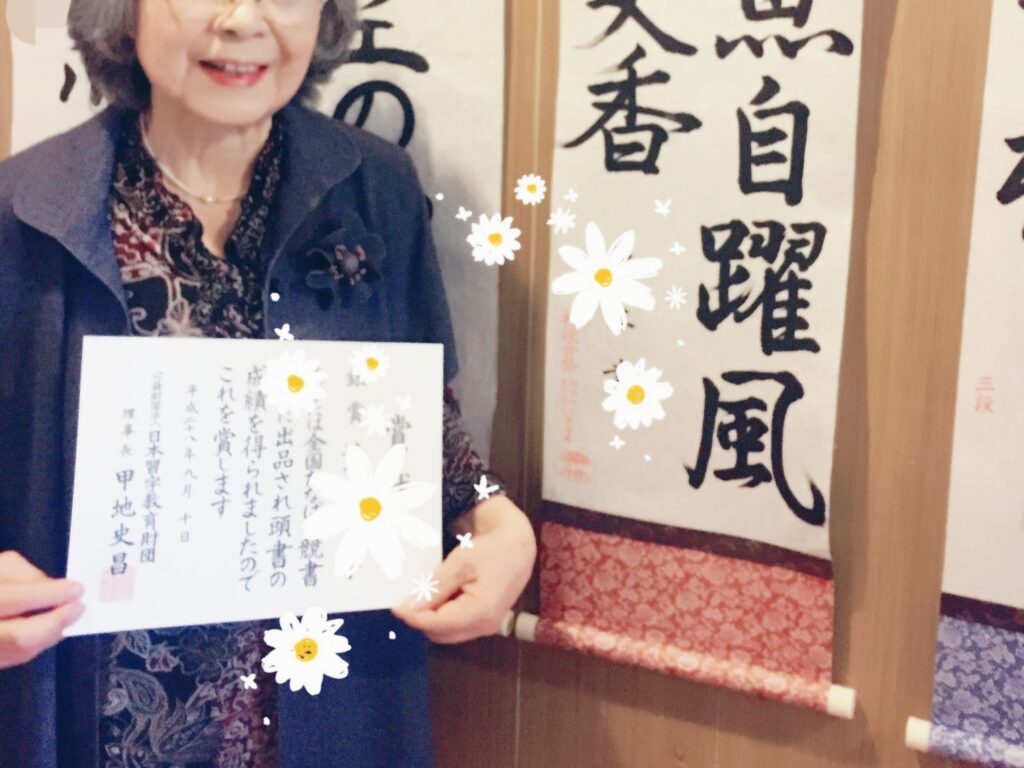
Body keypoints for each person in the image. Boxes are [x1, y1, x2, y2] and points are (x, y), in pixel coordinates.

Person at [0, 0, 536, 765]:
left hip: (327, 694)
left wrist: (495, 519)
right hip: (98, 708)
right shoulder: (25, 204)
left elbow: (418, 416)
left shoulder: (375, 185)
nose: (242, 20)